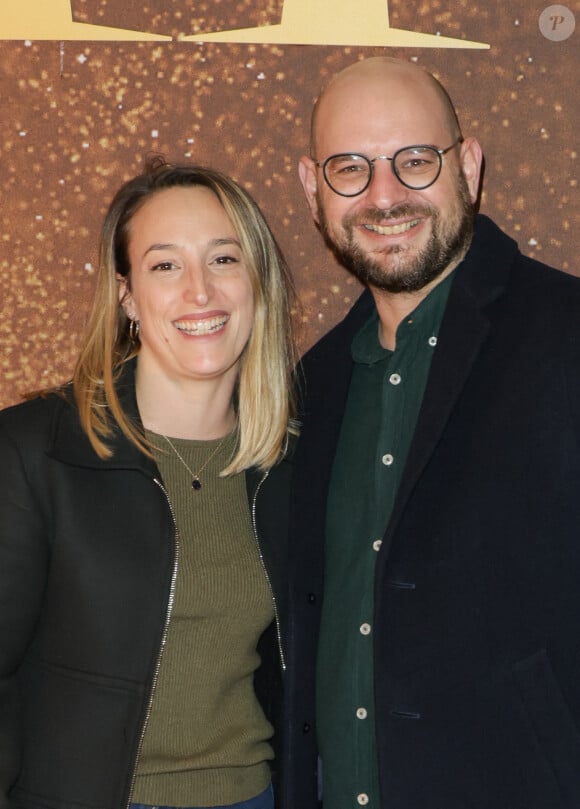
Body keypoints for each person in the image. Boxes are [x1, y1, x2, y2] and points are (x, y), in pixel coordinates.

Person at [287, 55, 580, 809]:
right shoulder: (307, 390)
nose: (384, 195)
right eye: (350, 167)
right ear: (312, 190)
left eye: (414, 161)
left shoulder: (566, 337)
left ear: (469, 166)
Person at [0, 160, 298, 809]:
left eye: (224, 258)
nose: (200, 291)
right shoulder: (34, 452)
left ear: (257, 280)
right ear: (127, 294)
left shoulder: (291, 463)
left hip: (250, 797)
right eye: (166, 265)